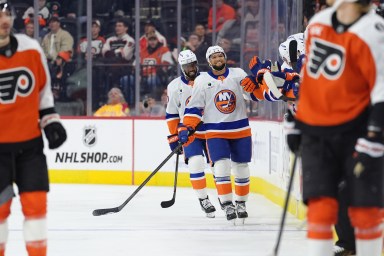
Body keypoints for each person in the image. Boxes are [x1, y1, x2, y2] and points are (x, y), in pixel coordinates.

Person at [286, 1, 384, 256]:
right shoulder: (317, 24)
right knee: (320, 206)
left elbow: (381, 88)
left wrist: (374, 135)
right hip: (318, 132)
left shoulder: (375, 29)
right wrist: (299, 122)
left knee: (365, 209)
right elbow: (312, 80)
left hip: (358, 131)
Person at [0, 1, 67, 256]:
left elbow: (43, 92)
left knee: (37, 206)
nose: (4, 19)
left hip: (30, 145)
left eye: (8, 14)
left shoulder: (30, 49)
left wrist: (50, 120)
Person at [178, 45, 255, 222]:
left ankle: (241, 203)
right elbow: (195, 107)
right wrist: (186, 127)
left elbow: (253, 96)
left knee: (242, 167)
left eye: (220, 55)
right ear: (208, 61)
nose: (218, 59)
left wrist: (258, 83)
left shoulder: (238, 74)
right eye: (213, 57)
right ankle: (227, 204)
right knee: (221, 166)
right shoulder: (202, 81)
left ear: (225, 57)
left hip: (241, 129)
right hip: (215, 132)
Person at [166, 49, 216, 218]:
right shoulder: (174, 87)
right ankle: (203, 200)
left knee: (218, 166)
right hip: (189, 134)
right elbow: (172, 114)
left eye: (193, 64)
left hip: (211, 129)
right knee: (196, 163)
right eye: (187, 66)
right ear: (182, 67)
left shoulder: (207, 80)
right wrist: (174, 137)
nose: (191, 68)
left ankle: (225, 199)